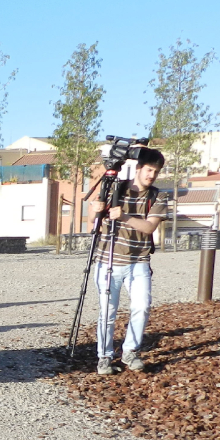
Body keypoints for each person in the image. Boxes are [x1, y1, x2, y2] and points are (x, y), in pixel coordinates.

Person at [87, 147, 168, 375]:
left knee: (141, 307)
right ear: (139, 168)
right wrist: (96, 211)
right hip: (107, 260)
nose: (151, 175)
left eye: (156, 171)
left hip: (138, 262)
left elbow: (149, 227)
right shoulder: (115, 189)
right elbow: (91, 222)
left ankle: (130, 351)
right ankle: (104, 357)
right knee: (107, 311)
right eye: (149, 169)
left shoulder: (158, 196)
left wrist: (123, 216)